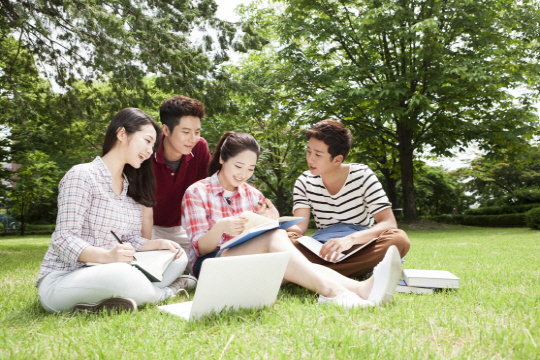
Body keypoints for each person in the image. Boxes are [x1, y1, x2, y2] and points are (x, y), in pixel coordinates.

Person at [181, 132, 403, 309]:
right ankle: (334, 293)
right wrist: (221, 228)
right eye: (238, 166)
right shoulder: (197, 192)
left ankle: (362, 289)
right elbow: (200, 249)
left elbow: (262, 233)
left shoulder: (253, 195)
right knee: (277, 239)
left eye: (251, 169)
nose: (243, 175)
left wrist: (272, 219)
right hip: (212, 266)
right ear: (222, 158)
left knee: (294, 259)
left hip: (248, 265)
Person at [36, 108, 195, 313]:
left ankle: (107, 301)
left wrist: (154, 244)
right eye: (147, 141)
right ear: (122, 134)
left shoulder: (130, 187)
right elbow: (63, 239)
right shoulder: (82, 175)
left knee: (177, 255)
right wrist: (106, 257)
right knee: (123, 275)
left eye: (153, 146)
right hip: (63, 279)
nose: (150, 151)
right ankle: (166, 293)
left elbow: (127, 239)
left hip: (110, 271)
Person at [287, 119, 411, 278]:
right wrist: (274, 223)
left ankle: (312, 273)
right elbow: (299, 228)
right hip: (321, 247)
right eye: (308, 151)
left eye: (318, 154)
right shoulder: (304, 181)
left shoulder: (362, 175)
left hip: (359, 244)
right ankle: (354, 272)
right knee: (285, 240)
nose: (310, 159)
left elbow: (388, 223)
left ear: (337, 159)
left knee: (399, 239)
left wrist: (349, 240)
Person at [144, 96, 210, 273]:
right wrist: (145, 245)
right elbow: (141, 206)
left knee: (207, 266)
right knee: (156, 268)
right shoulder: (146, 152)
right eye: (186, 132)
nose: (193, 138)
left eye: (197, 132)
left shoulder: (200, 148)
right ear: (166, 129)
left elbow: (207, 192)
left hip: (183, 228)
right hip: (148, 228)